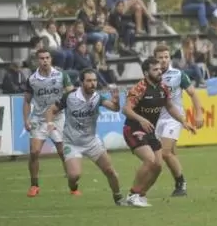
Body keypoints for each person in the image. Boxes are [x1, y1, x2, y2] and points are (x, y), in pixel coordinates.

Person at [121, 58, 197, 207]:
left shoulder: (163, 88)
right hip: (133, 129)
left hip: (149, 131)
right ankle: (132, 194)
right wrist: (141, 119)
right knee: (150, 160)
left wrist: (183, 121)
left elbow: (169, 106)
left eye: (159, 69)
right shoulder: (140, 88)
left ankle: (141, 195)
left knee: (158, 166)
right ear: (146, 73)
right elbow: (126, 109)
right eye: (155, 69)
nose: (159, 71)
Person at [44, 69, 124, 204]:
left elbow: (114, 109)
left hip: (92, 142)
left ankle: (119, 198)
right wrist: (50, 123)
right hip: (72, 143)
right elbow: (51, 110)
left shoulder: (97, 97)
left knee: (110, 171)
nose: (93, 84)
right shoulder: (70, 96)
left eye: (94, 80)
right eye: (89, 81)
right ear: (81, 82)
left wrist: (116, 102)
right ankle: (73, 185)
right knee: (74, 175)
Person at [154, 45, 204, 197]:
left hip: (174, 118)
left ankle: (181, 183)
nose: (163, 60)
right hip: (157, 119)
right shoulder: (150, 75)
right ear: (155, 59)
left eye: (166, 57)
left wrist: (199, 113)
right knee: (170, 154)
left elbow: (193, 93)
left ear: (169, 58)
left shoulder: (178, 74)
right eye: (160, 57)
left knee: (165, 152)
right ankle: (179, 183)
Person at [23, 50, 74, 197]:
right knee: (34, 152)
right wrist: (26, 119)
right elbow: (26, 100)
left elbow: (70, 93)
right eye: (41, 58)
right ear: (37, 60)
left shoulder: (61, 75)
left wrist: (61, 106)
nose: (45, 60)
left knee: (63, 152)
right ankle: (34, 186)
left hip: (58, 117)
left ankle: (73, 186)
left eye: (47, 58)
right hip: (39, 119)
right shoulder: (32, 79)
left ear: (51, 59)